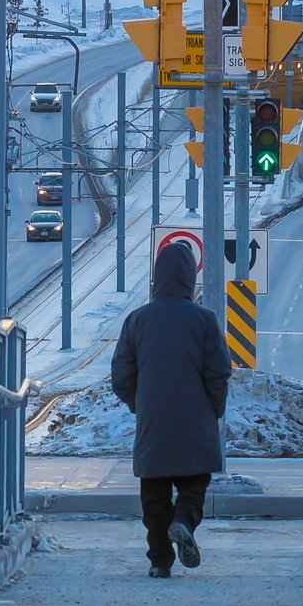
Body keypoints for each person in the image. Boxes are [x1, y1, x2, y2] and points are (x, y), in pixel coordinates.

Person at [110, 240, 231, 577]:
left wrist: (140, 403)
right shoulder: (205, 320)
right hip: (196, 422)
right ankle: (184, 521)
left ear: (157, 277)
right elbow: (219, 371)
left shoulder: (137, 320)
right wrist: (212, 408)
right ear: (191, 279)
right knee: (194, 484)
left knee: (154, 493)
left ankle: (160, 561)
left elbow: (120, 373)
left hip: (154, 423)